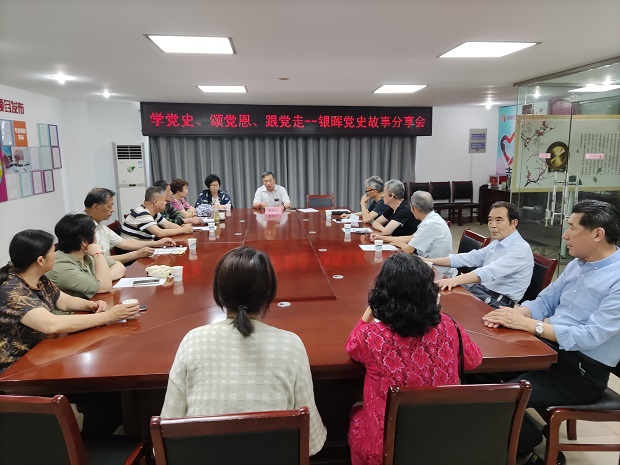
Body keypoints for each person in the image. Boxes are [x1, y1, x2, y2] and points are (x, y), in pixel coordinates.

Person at [482, 200, 620, 464]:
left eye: (572, 228)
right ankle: (504, 434)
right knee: (479, 368)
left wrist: (532, 326)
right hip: (550, 350)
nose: (565, 235)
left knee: (499, 398)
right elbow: (545, 301)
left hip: (582, 371)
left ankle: (531, 450)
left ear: (597, 234)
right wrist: (517, 315)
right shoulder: (578, 264)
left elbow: (591, 336)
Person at [161, 246, 327, 456]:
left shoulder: (192, 341)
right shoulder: (291, 345)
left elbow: (167, 433)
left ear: (219, 294)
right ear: (269, 294)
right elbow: (310, 442)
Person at [346, 253, 482, 465]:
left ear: (383, 294)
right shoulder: (448, 325)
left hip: (388, 448)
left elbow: (352, 347)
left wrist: (369, 312)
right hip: (443, 439)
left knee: (356, 412)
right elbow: (474, 360)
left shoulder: (371, 336)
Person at [0, 230, 140, 433]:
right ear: (40, 260)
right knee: (103, 396)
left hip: (43, 353)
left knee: (107, 393)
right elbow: (51, 325)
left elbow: (62, 300)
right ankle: (87, 444)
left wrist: (90, 305)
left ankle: (95, 436)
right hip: (18, 369)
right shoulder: (11, 290)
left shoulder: (37, 278)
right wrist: (108, 317)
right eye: (52, 251)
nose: (56, 254)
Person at [428, 201, 534, 308]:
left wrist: (453, 280)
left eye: (499, 220)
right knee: (434, 298)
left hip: (498, 302)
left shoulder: (520, 249)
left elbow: (488, 272)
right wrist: (429, 261)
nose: (492, 225)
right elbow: (469, 257)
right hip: (481, 291)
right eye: (490, 220)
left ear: (514, 223)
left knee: (442, 304)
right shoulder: (498, 242)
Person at [371, 190, 456, 277]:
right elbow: (412, 237)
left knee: (392, 271)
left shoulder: (429, 224)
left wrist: (400, 243)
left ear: (414, 208)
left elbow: (408, 249)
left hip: (435, 271)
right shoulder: (433, 218)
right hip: (431, 264)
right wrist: (383, 238)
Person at [84, 188, 175, 264]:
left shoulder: (100, 226)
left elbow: (125, 243)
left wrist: (156, 243)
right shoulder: (83, 228)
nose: (112, 210)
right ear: (96, 207)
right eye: (109, 206)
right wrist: (137, 254)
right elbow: (97, 261)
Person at [45, 214, 126, 299]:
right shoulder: (62, 266)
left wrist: (106, 278)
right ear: (84, 241)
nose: (96, 237)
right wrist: (98, 254)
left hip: (96, 302)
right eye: (94, 233)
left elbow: (119, 266)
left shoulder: (86, 252)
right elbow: (104, 287)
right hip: (79, 307)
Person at [121, 186, 194, 240]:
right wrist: (182, 230)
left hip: (146, 247)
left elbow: (167, 225)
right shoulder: (142, 213)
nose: (166, 203)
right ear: (155, 202)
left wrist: (182, 228)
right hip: (135, 252)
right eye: (164, 200)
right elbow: (159, 233)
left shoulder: (153, 213)